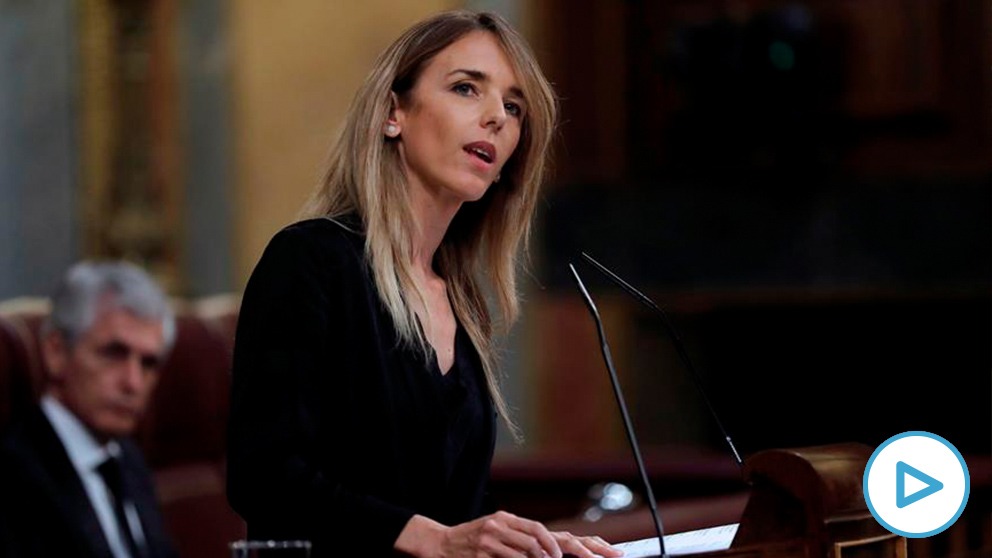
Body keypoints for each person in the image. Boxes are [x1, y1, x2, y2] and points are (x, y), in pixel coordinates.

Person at [226, 9, 624, 558]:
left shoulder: (461, 302)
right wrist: (433, 539)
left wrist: (526, 544)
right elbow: (265, 476)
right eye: (467, 89)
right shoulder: (312, 260)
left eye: (513, 107)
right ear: (394, 113)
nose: (496, 119)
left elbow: (454, 509)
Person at [0, 261, 178, 558]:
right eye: (113, 353)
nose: (133, 383)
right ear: (55, 351)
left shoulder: (129, 461)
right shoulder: (12, 474)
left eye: (148, 364)